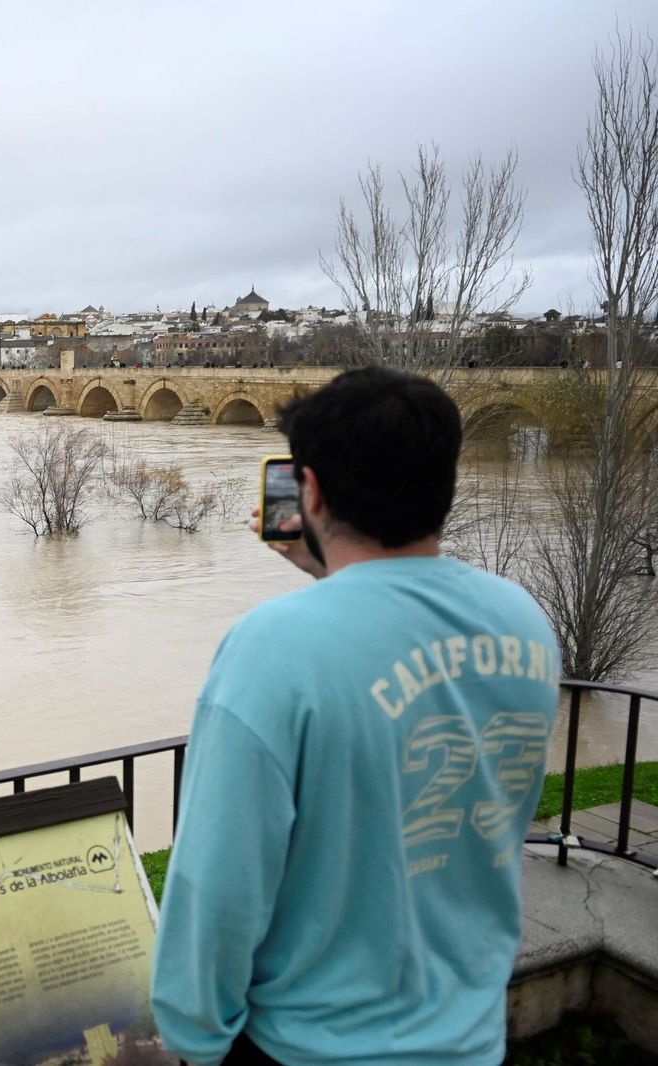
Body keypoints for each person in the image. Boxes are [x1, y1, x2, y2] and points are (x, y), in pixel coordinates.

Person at [150, 366, 560, 1066]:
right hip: (467, 1034)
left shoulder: (273, 648)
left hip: (312, 1047)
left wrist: (194, 1037)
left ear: (308, 489)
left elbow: (215, 888)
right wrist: (325, 572)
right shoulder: (523, 623)